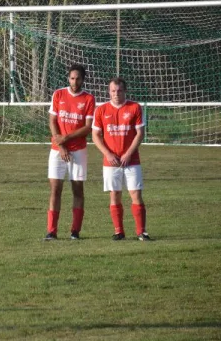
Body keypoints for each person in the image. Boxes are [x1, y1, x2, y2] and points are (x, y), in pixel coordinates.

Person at [92, 77, 151, 241]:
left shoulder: (135, 108)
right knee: (114, 195)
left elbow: (140, 133)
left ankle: (141, 232)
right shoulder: (101, 110)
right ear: (109, 92)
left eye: (119, 91)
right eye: (113, 91)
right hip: (111, 162)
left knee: (136, 194)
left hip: (131, 161)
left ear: (125, 91)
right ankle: (119, 231)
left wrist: (128, 153)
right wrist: (108, 154)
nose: (116, 94)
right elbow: (95, 135)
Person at [44, 65, 95, 241]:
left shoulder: (88, 99)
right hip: (58, 150)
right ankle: (51, 231)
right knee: (55, 190)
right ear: (68, 78)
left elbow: (88, 127)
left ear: (83, 79)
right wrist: (61, 144)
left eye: (78, 78)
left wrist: (65, 138)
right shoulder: (58, 94)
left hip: (78, 151)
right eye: (72, 78)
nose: (75, 82)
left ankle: (75, 231)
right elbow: (52, 120)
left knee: (78, 190)